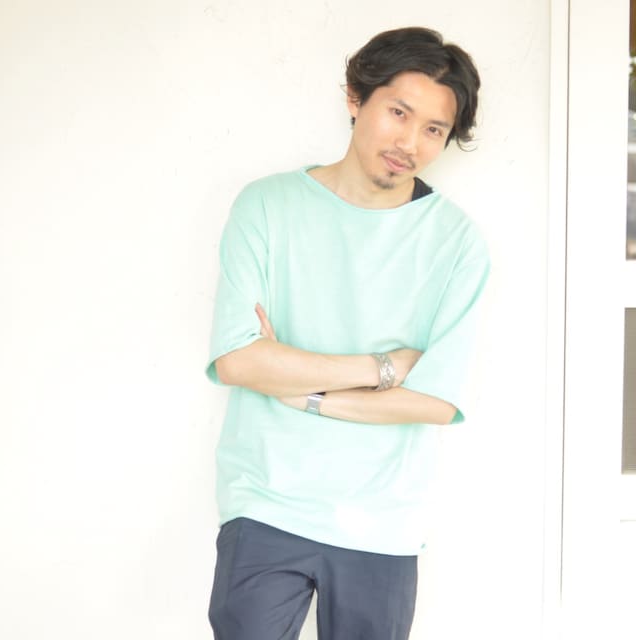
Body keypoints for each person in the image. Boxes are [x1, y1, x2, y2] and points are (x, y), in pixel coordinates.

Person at [206, 26, 489, 640]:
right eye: (398, 113)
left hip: (383, 520)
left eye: (433, 129)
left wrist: (302, 394)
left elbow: (436, 402)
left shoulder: (457, 243)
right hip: (266, 501)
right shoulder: (266, 207)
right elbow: (238, 361)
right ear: (356, 98)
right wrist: (381, 368)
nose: (409, 142)